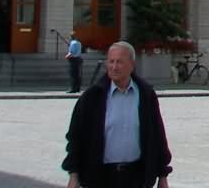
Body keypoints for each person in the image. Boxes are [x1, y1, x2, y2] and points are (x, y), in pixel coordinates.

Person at [62, 41, 172, 188]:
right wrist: (73, 175)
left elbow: (157, 135)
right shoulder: (93, 96)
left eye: (119, 62)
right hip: (101, 177)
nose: (114, 67)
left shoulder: (146, 95)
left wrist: (162, 175)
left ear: (132, 65)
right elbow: (76, 137)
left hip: (137, 177)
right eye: (111, 61)